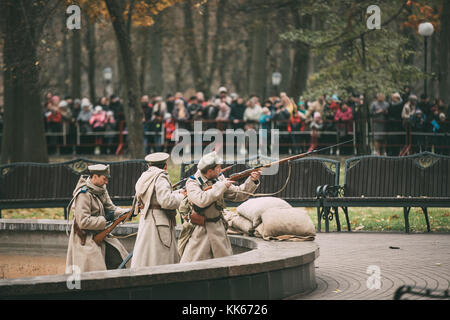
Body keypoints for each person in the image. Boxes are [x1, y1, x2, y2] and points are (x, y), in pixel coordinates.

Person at [180, 151, 261, 263]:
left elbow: (238, 194)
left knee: (225, 263)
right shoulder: (193, 182)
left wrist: (252, 180)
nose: (220, 169)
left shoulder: (218, 178)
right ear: (209, 171)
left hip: (218, 228)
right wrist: (222, 186)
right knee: (195, 265)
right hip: (200, 230)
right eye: (218, 167)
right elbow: (201, 200)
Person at [65, 164, 129, 273]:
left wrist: (128, 212)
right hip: (85, 238)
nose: (106, 182)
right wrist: (104, 219)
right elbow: (83, 222)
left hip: (101, 234)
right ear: (95, 176)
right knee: (93, 272)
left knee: (118, 258)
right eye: (104, 179)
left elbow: (111, 208)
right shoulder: (83, 194)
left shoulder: (101, 189)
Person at [131, 153, 184, 268]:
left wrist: (176, 193)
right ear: (165, 166)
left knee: (146, 257)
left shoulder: (144, 176)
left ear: (149, 166)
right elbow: (166, 201)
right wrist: (181, 197)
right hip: (159, 223)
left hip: (147, 220)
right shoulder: (161, 177)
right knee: (160, 260)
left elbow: (154, 197)